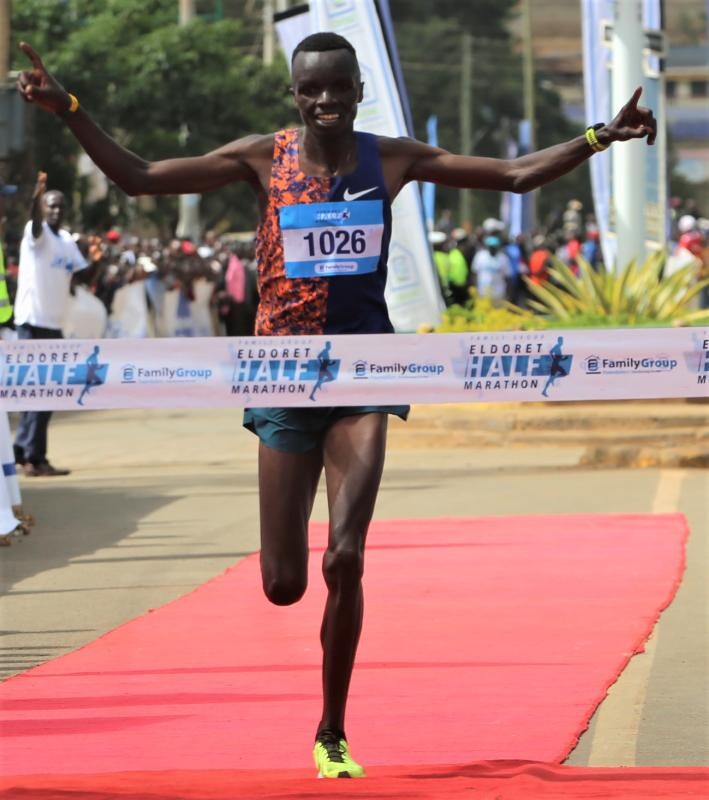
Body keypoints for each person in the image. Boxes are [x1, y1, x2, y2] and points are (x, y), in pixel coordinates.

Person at [17, 32, 656, 778]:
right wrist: (70, 109)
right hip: (284, 378)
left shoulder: (391, 159)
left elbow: (513, 176)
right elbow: (140, 178)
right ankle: (309, 649)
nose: (325, 100)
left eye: (338, 87)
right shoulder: (263, 157)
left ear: (359, 90)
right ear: (294, 95)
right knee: (283, 584)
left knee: (346, 556)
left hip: (363, 372)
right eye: (311, 89)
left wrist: (598, 136)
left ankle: (332, 731)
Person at [12, 171, 90, 477]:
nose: (56, 211)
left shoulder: (67, 240)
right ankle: (35, 457)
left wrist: (95, 259)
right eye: (51, 205)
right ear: (43, 209)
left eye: (60, 206)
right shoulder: (37, 233)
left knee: (48, 392)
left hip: (55, 323)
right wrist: (37, 195)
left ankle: (23, 451)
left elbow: (81, 276)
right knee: (38, 392)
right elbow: (34, 221)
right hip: (32, 320)